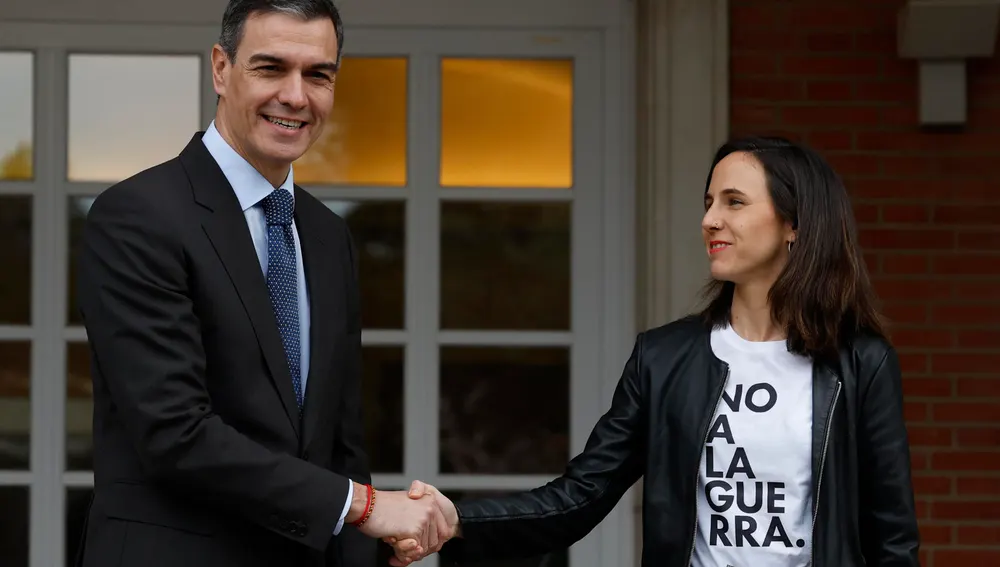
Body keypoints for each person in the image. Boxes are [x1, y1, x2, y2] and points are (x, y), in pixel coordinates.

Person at [389, 136, 921, 567]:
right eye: (709, 202)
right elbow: (581, 496)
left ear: (794, 224)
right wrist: (457, 519)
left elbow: (892, 540)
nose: (710, 219)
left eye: (734, 202)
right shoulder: (664, 358)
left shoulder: (859, 364)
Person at [74, 1, 448, 566]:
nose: (296, 96)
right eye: (271, 68)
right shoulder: (137, 216)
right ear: (221, 70)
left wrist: (370, 537)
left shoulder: (326, 235)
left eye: (318, 74)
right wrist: (365, 506)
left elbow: (339, 443)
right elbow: (175, 433)